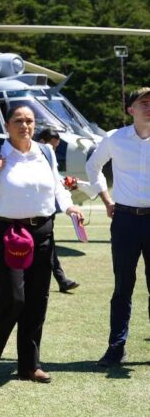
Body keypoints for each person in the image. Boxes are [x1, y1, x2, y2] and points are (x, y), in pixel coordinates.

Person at [0, 105, 84, 383]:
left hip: (42, 231)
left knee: (37, 300)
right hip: (7, 232)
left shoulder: (44, 152)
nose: (25, 126)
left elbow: (57, 186)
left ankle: (29, 366)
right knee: (12, 298)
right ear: (7, 126)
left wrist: (68, 207)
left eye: (30, 121)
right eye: (18, 121)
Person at [86, 86, 150, 367]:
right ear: (131, 110)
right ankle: (116, 347)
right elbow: (93, 166)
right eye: (144, 103)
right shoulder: (114, 139)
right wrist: (106, 199)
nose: (149, 107)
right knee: (123, 286)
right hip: (124, 220)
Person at [35, 128, 80, 293]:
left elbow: (54, 177)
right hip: (31, 213)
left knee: (48, 248)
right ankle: (61, 280)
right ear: (41, 142)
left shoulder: (48, 156)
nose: (53, 150)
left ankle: (61, 280)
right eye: (52, 146)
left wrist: (67, 181)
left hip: (46, 212)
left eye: (56, 147)